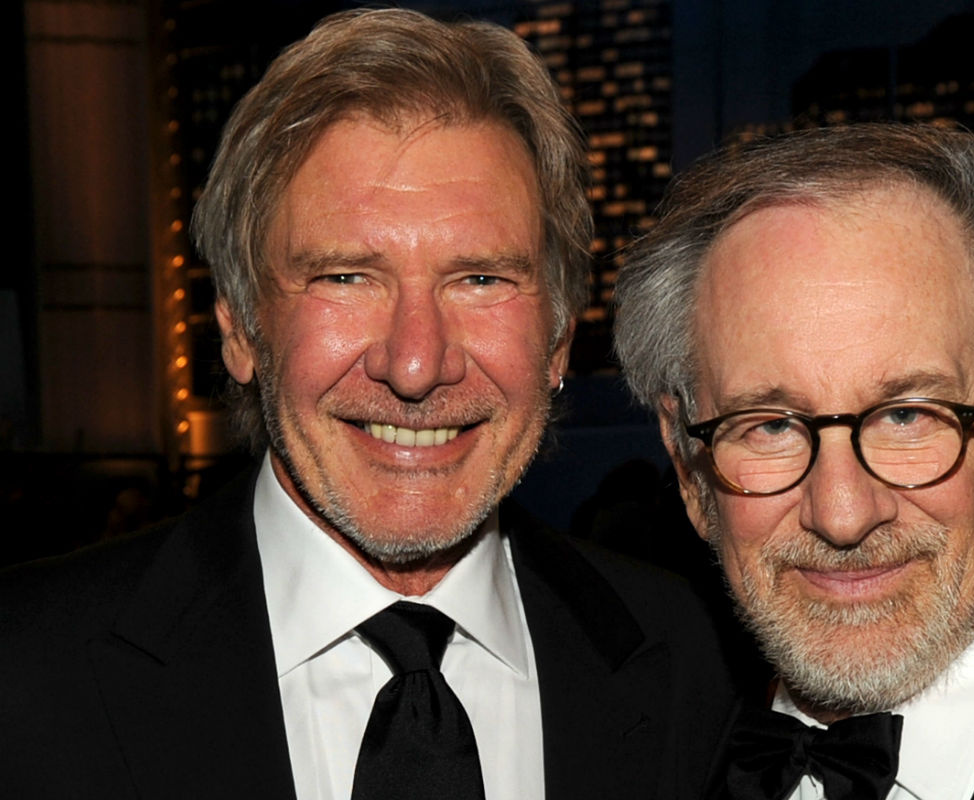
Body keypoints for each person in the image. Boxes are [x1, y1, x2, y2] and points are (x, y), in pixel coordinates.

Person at [0, 9, 734, 799]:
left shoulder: (687, 658)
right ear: (241, 329)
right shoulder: (24, 671)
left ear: (558, 339)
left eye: (480, 279)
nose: (415, 363)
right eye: (346, 277)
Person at [614, 124, 974, 800]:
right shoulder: (657, 769)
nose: (841, 512)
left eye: (907, 416)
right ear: (690, 471)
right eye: (771, 426)